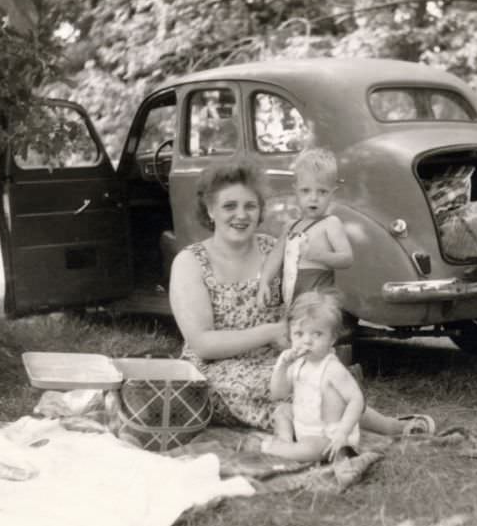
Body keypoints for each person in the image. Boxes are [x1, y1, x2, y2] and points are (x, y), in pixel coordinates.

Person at [169, 160, 435, 436]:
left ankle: (387, 426)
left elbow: (308, 297)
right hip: (215, 370)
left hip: (280, 357)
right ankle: (342, 430)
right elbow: (202, 344)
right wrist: (272, 332)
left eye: (250, 206)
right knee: (295, 383)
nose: (241, 215)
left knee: (323, 374)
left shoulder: (274, 249)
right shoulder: (191, 262)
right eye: (229, 206)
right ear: (210, 210)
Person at [262, 290, 363, 462]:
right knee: (282, 410)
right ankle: (286, 442)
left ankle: (282, 450)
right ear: (290, 336)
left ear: (332, 339)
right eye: (299, 334)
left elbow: (357, 400)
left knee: (313, 448)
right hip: (304, 428)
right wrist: (281, 367)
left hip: (327, 437)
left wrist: (342, 433)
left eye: (317, 334)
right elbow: (278, 394)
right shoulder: (298, 364)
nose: (307, 341)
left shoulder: (332, 368)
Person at [257, 148, 353, 308]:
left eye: (322, 192)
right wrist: (264, 282)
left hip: (318, 301)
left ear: (332, 194)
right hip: (291, 298)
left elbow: (347, 258)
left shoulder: (330, 223)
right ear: (296, 191)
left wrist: (319, 255)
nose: (313, 198)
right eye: (306, 191)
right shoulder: (290, 226)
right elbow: (275, 257)